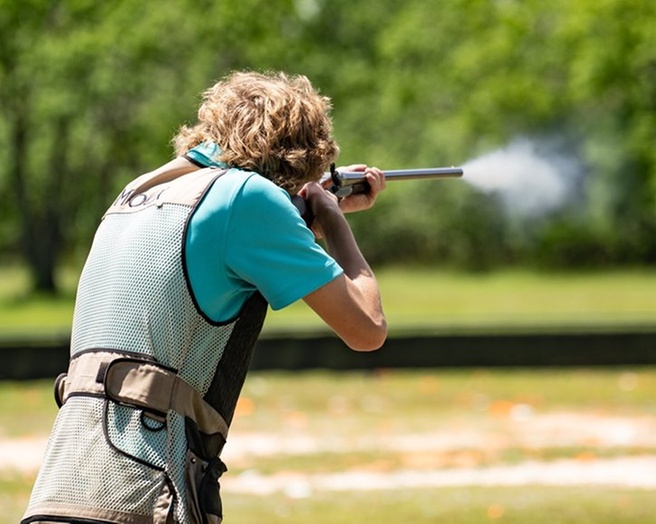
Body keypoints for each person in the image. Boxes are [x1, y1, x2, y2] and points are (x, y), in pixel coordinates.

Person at [21, 71, 388, 524]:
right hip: (147, 488)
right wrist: (333, 220)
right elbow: (367, 328)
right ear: (301, 158)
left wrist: (298, 219)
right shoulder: (249, 197)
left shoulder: (139, 191)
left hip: (66, 483)